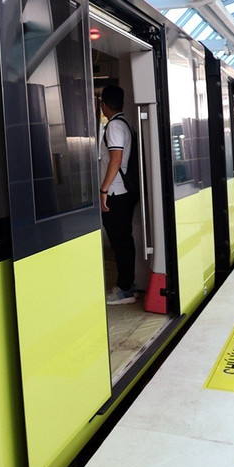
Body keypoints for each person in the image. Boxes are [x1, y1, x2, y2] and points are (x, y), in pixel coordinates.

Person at [98, 84, 138, 305]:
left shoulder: (113, 127)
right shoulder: (125, 124)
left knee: (119, 240)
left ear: (105, 105)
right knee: (124, 239)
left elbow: (116, 159)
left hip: (116, 192)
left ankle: (125, 289)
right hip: (125, 191)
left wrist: (104, 189)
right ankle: (127, 285)